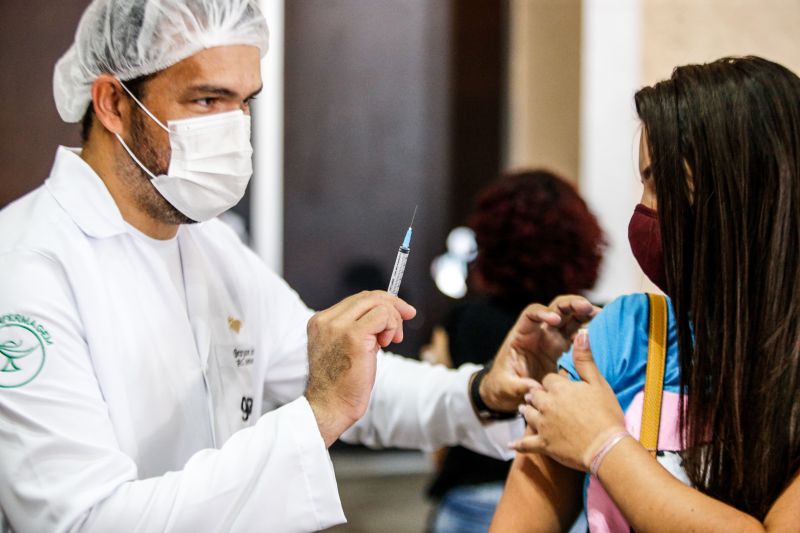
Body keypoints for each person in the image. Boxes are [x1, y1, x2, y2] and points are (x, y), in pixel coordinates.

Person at [0, 1, 600, 532]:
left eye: (244, 103)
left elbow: (349, 378)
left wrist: (479, 392)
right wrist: (316, 417)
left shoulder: (211, 247)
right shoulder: (28, 268)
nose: (233, 128)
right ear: (111, 102)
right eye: (207, 99)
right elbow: (79, 520)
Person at [491, 56, 800, 532]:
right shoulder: (623, 334)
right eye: (643, 184)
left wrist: (603, 446)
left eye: (662, 182)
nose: (643, 212)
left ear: (745, 190)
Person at [424, 170, 605, 533]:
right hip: (566, 506)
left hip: (469, 497)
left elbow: (440, 437)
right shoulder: (594, 324)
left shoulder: (461, 321)